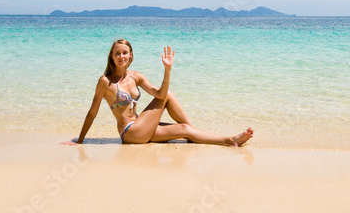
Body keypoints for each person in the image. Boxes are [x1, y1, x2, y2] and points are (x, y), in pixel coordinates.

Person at [69, 39, 253, 147]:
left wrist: (167, 70)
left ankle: (229, 140)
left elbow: (159, 92)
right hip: (130, 133)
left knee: (183, 128)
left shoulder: (137, 77)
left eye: (125, 53)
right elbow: (92, 112)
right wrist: (79, 141)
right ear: (112, 56)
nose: (121, 56)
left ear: (131, 55)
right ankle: (194, 136)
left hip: (142, 128)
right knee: (168, 96)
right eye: (117, 53)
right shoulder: (105, 82)